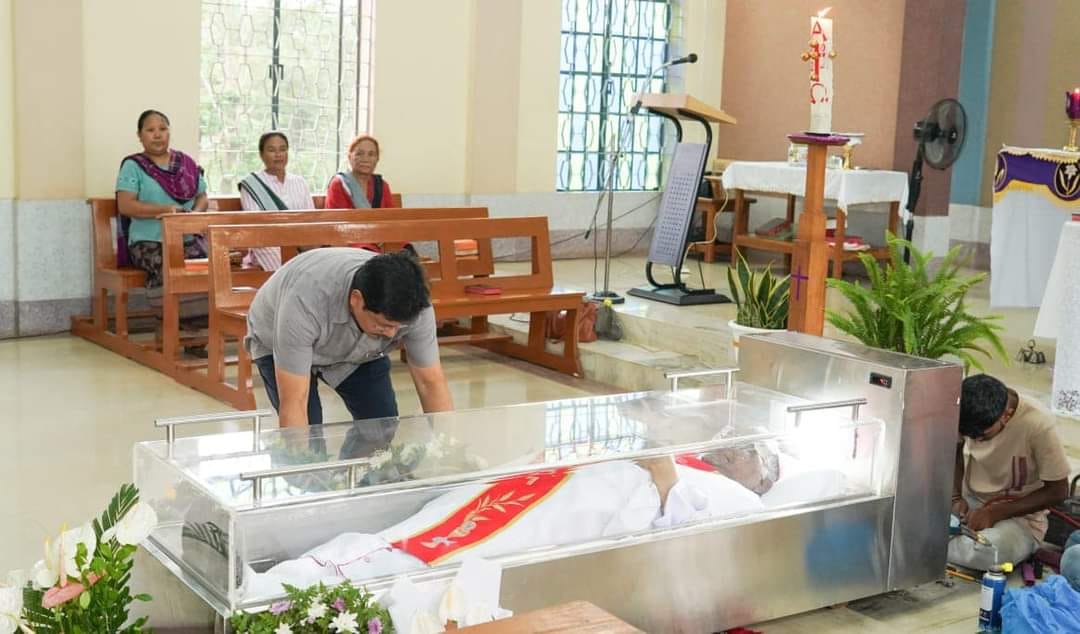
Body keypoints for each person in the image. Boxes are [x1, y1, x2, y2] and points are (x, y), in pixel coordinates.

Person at [245, 248, 453, 427]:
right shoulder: (304, 302)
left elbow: (430, 382)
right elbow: (294, 401)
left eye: (398, 327)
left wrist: (448, 448)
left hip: (355, 349)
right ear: (356, 299)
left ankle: (358, 464)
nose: (391, 334)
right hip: (279, 337)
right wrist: (302, 458)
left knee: (380, 426)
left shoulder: (416, 307)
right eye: (384, 325)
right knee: (310, 431)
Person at [949, 374, 1071, 570]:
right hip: (970, 504)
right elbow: (954, 450)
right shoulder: (966, 410)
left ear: (1006, 415)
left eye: (983, 436)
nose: (976, 440)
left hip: (1020, 517)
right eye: (969, 435)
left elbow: (1058, 491)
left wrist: (994, 512)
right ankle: (938, 542)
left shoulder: (1038, 424)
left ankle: (931, 544)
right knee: (910, 510)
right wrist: (955, 498)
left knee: (992, 552)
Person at [116, 109, 209, 297]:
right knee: (170, 266)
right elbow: (125, 205)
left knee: (209, 267)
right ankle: (169, 313)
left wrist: (195, 215)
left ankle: (202, 314)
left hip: (187, 239)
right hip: (148, 242)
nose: (157, 135)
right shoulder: (133, 166)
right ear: (140, 135)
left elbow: (202, 196)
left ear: (169, 132)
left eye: (163, 129)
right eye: (150, 130)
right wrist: (167, 211)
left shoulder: (185, 163)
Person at [238, 131, 316, 271]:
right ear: (261, 155)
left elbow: (311, 220)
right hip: (266, 244)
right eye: (271, 150)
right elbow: (256, 225)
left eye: (282, 149)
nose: (278, 154)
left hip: (300, 243)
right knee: (286, 266)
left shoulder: (300, 182)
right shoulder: (251, 185)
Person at [325, 135, 397, 253]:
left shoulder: (382, 185)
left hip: (381, 238)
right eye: (359, 154)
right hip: (350, 239)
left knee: (404, 247)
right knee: (365, 249)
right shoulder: (339, 184)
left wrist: (382, 236)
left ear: (377, 159)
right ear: (350, 157)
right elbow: (338, 224)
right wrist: (372, 235)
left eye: (371, 154)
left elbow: (392, 218)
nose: (365, 159)